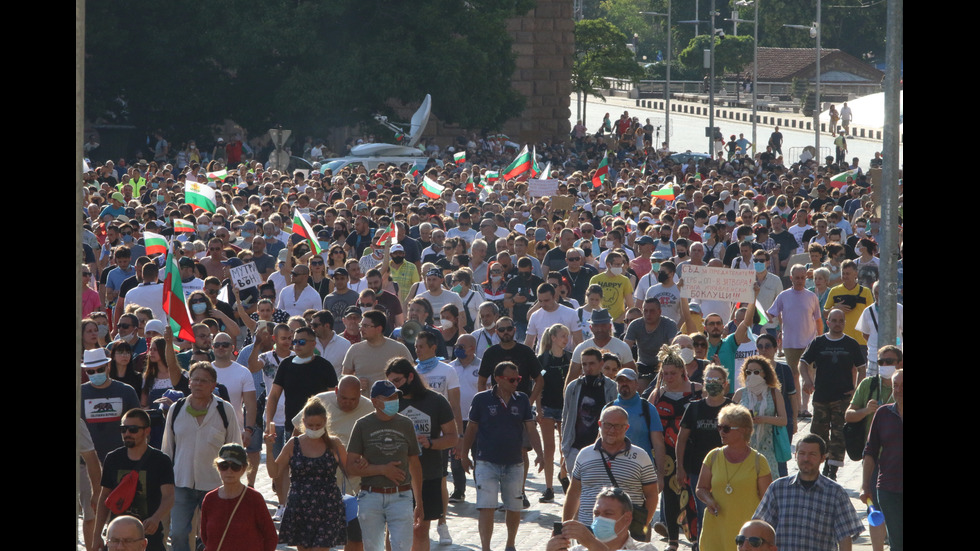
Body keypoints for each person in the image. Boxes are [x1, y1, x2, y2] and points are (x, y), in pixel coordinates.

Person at [461, 361, 544, 551]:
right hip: (486, 460)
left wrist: (540, 454)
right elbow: (471, 428)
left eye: (518, 379)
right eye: (511, 379)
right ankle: (486, 548)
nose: (516, 383)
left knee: (514, 506)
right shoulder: (481, 399)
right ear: (498, 379)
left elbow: (530, 428)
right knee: (486, 506)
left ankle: (510, 544)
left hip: (514, 461)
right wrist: (464, 454)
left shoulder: (522, 399)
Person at [163, 362, 243, 551]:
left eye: (204, 381)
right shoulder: (176, 409)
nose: (198, 384)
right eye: (195, 380)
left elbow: (236, 448)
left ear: (213, 385)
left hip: (214, 484)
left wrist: (235, 483)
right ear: (189, 383)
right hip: (181, 483)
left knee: (212, 535)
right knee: (178, 533)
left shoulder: (225, 410)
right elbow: (167, 449)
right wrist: (165, 483)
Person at [385, 359, 458, 550]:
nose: (395, 387)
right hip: (395, 475)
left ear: (411, 376)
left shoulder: (436, 401)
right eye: (390, 383)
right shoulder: (390, 402)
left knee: (420, 528)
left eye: (398, 381)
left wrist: (431, 442)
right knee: (393, 529)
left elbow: (452, 437)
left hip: (429, 473)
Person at [346, 380, 424, 551]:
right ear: (374, 401)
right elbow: (350, 467)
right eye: (389, 398)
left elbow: (414, 463)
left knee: (402, 547)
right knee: (372, 548)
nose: (394, 400)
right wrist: (382, 469)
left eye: (395, 396)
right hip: (370, 495)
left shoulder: (406, 424)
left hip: (401, 496)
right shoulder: (362, 425)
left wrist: (419, 502)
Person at [753, 434, 864, 551]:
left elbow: (845, 536)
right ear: (795, 456)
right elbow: (759, 527)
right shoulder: (778, 489)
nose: (806, 458)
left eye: (812, 454)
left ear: (823, 458)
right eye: (802, 454)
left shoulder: (835, 493)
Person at [562, 406, 658, 540]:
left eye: (618, 426)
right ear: (600, 425)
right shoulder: (584, 455)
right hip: (587, 532)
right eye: (607, 425)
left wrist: (641, 525)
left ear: (626, 428)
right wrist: (564, 528)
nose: (612, 430)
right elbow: (573, 493)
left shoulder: (641, 457)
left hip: (626, 534)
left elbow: (652, 494)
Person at [267, 397, 348, 550]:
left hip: (328, 507)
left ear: (325, 421)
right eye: (310, 425)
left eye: (318, 425)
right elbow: (274, 472)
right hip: (300, 509)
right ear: (303, 422)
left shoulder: (334, 444)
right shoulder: (293, 444)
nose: (315, 428)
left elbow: (350, 469)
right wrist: (269, 450)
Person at [92, 409, 174, 551]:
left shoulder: (161, 460)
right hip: (117, 537)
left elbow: (169, 496)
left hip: (148, 534)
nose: (127, 434)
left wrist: (156, 518)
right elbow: (104, 497)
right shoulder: (112, 458)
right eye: (123, 429)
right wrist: (96, 535)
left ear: (147, 431)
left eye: (133, 429)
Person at [800, 309, 866, 480]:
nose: (838, 323)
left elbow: (861, 369)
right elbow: (803, 362)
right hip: (821, 396)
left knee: (839, 434)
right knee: (818, 434)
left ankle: (832, 471)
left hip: (842, 398)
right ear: (827, 322)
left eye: (841, 320)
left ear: (844, 322)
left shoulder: (851, 343)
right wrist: (807, 380)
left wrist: (856, 391)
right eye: (834, 320)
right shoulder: (819, 342)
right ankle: (822, 463)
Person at [647, 344, 702, 550]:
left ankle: (696, 538)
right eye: (665, 373)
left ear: (683, 372)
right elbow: (651, 427)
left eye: (673, 373)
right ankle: (672, 540)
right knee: (670, 496)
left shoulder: (697, 390)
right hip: (667, 453)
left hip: (693, 450)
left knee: (693, 494)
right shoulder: (657, 395)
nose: (669, 377)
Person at [696, 404, 772, 551]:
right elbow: (701, 488)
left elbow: (767, 501)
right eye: (719, 427)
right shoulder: (713, 456)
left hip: (746, 534)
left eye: (726, 428)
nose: (721, 432)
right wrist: (709, 499)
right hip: (716, 528)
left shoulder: (758, 461)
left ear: (743, 430)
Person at [675, 365, 732, 540]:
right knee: (703, 511)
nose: (713, 384)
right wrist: (680, 467)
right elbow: (681, 439)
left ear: (725, 383)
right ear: (704, 383)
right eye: (709, 380)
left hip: (727, 469)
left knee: (727, 510)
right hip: (697, 469)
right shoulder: (694, 408)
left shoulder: (732, 408)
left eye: (717, 380)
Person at [200, 444, 278, 551]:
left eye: (235, 466)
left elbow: (271, 537)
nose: (229, 471)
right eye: (224, 465)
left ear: (244, 468)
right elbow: (206, 538)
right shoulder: (210, 499)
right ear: (218, 467)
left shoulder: (254, 499)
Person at [767, 264, 821, 420]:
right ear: (791, 278)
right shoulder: (783, 296)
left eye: (802, 278)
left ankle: (805, 407)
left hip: (809, 343)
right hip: (790, 342)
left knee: (808, 375)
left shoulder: (812, 296)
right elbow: (771, 314)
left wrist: (820, 338)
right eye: (797, 278)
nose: (800, 280)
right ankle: (796, 406)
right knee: (794, 375)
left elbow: (818, 320)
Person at [860, 369, 903, 551]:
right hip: (888, 488)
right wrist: (865, 485)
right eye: (895, 385)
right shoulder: (883, 414)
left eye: (903, 386)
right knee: (897, 541)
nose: (899, 390)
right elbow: (869, 451)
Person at [547, 487, 659, 551]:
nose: (600, 518)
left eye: (608, 513)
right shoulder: (578, 550)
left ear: (627, 518)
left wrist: (591, 543)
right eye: (596, 513)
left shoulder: (646, 549)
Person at [732, 356, 787, 476]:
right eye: (749, 372)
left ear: (765, 373)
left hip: (767, 447)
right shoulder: (740, 393)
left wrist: (764, 419)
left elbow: (783, 420)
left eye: (756, 372)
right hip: (744, 446)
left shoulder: (774, 393)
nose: (752, 375)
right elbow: (729, 419)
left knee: (768, 481)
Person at [536, 323, 573, 502]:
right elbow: (537, 384)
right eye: (563, 335)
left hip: (566, 407)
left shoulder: (570, 358)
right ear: (553, 338)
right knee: (549, 448)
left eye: (567, 335)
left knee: (565, 447)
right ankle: (549, 487)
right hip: (548, 406)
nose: (566, 339)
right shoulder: (543, 360)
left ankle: (563, 475)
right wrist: (538, 408)